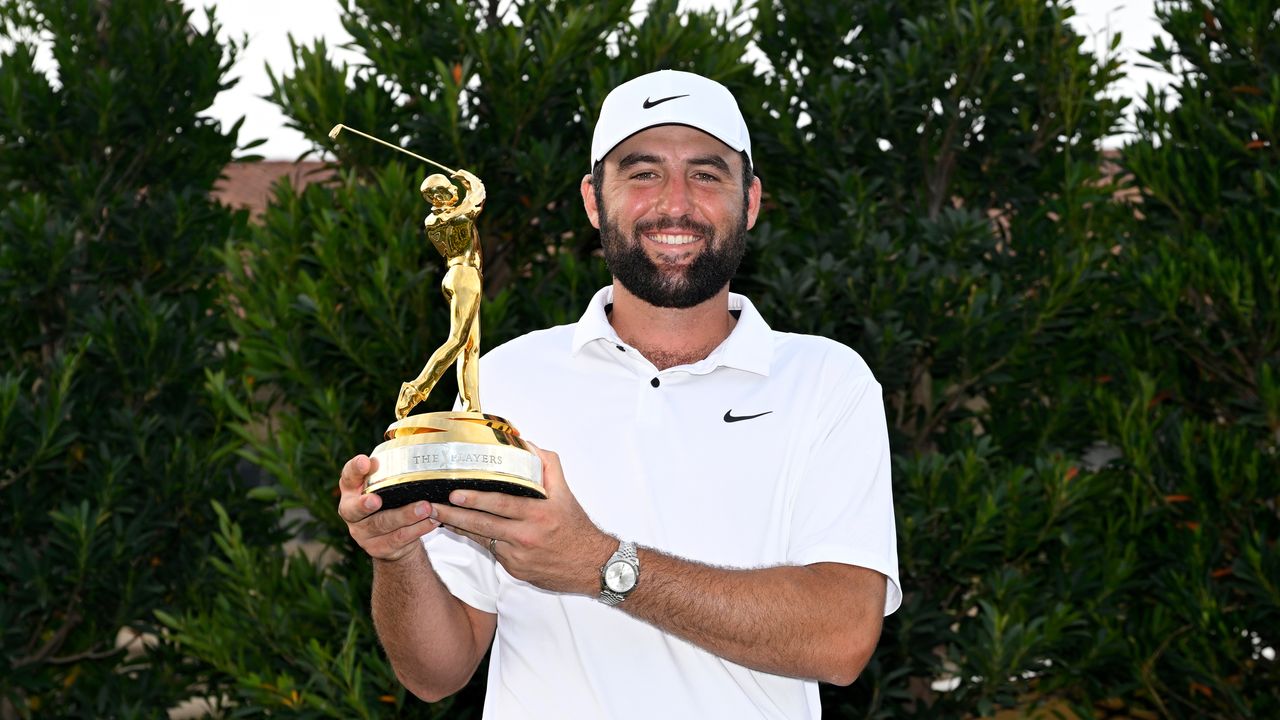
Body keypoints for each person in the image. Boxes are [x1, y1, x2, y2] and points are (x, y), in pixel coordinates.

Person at [338, 69, 901, 719]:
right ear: (592, 200)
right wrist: (397, 552)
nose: (675, 202)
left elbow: (842, 636)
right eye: (642, 173)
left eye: (707, 173)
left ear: (749, 201)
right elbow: (436, 672)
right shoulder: (503, 381)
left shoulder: (826, 381)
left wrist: (602, 565)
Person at [395, 170, 487, 418]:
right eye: (448, 189)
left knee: (470, 347)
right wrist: (469, 180)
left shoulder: (436, 220)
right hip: (464, 276)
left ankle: (472, 406)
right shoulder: (451, 218)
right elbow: (477, 198)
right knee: (457, 340)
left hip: (458, 276)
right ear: (437, 197)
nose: (454, 190)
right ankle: (417, 388)